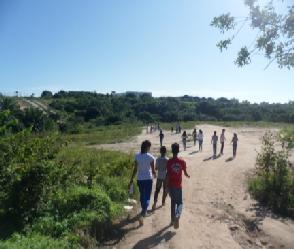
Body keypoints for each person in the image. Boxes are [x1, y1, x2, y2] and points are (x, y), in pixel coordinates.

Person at [129, 140, 156, 226]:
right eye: (149, 147)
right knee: (147, 195)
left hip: (140, 179)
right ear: (147, 147)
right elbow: (153, 170)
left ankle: (143, 210)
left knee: (142, 194)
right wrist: (155, 175)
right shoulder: (150, 157)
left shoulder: (137, 156)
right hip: (148, 178)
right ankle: (143, 212)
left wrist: (131, 179)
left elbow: (135, 169)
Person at [166, 143, 190, 229]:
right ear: (178, 150)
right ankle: (177, 216)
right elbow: (185, 172)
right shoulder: (182, 162)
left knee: (173, 203)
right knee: (179, 203)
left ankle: (172, 220)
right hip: (178, 186)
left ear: (172, 151)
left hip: (171, 185)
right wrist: (187, 175)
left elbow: (168, 175)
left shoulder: (169, 162)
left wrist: (166, 187)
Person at [152, 146, 169, 210]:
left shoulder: (158, 159)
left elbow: (156, 168)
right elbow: (168, 169)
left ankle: (154, 203)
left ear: (160, 152)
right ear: (165, 152)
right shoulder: (167, 160)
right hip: (165, 177)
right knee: (165, 189)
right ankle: (163, 202)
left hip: (159, 177)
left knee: (157, 190)